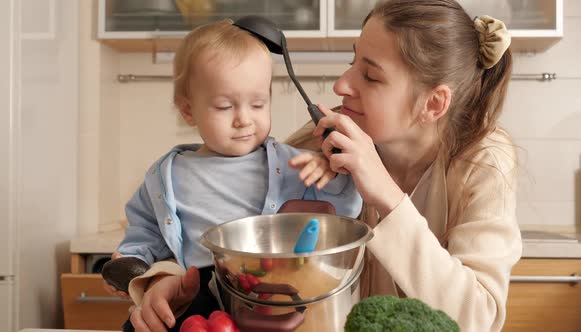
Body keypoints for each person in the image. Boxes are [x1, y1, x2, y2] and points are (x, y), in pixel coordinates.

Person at [121, 1, 522, 331]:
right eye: (353, 61)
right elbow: (213, 222)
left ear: (433, 104)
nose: (342, 84)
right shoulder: (321, 141)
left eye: (370, 75)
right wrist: (163, 278)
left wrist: (384, 192)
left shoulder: (483, 159)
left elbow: (478, 317)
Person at [104, 19, 362, 332]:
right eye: (225, 106)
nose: (244, 120)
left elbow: (346, 213)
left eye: (258, 104)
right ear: (188, 110)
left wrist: (332, 176)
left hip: (271, 297)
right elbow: (145, 233)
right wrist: (132, 262)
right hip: (196, 293)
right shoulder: (166, 177)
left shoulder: (294, 165)